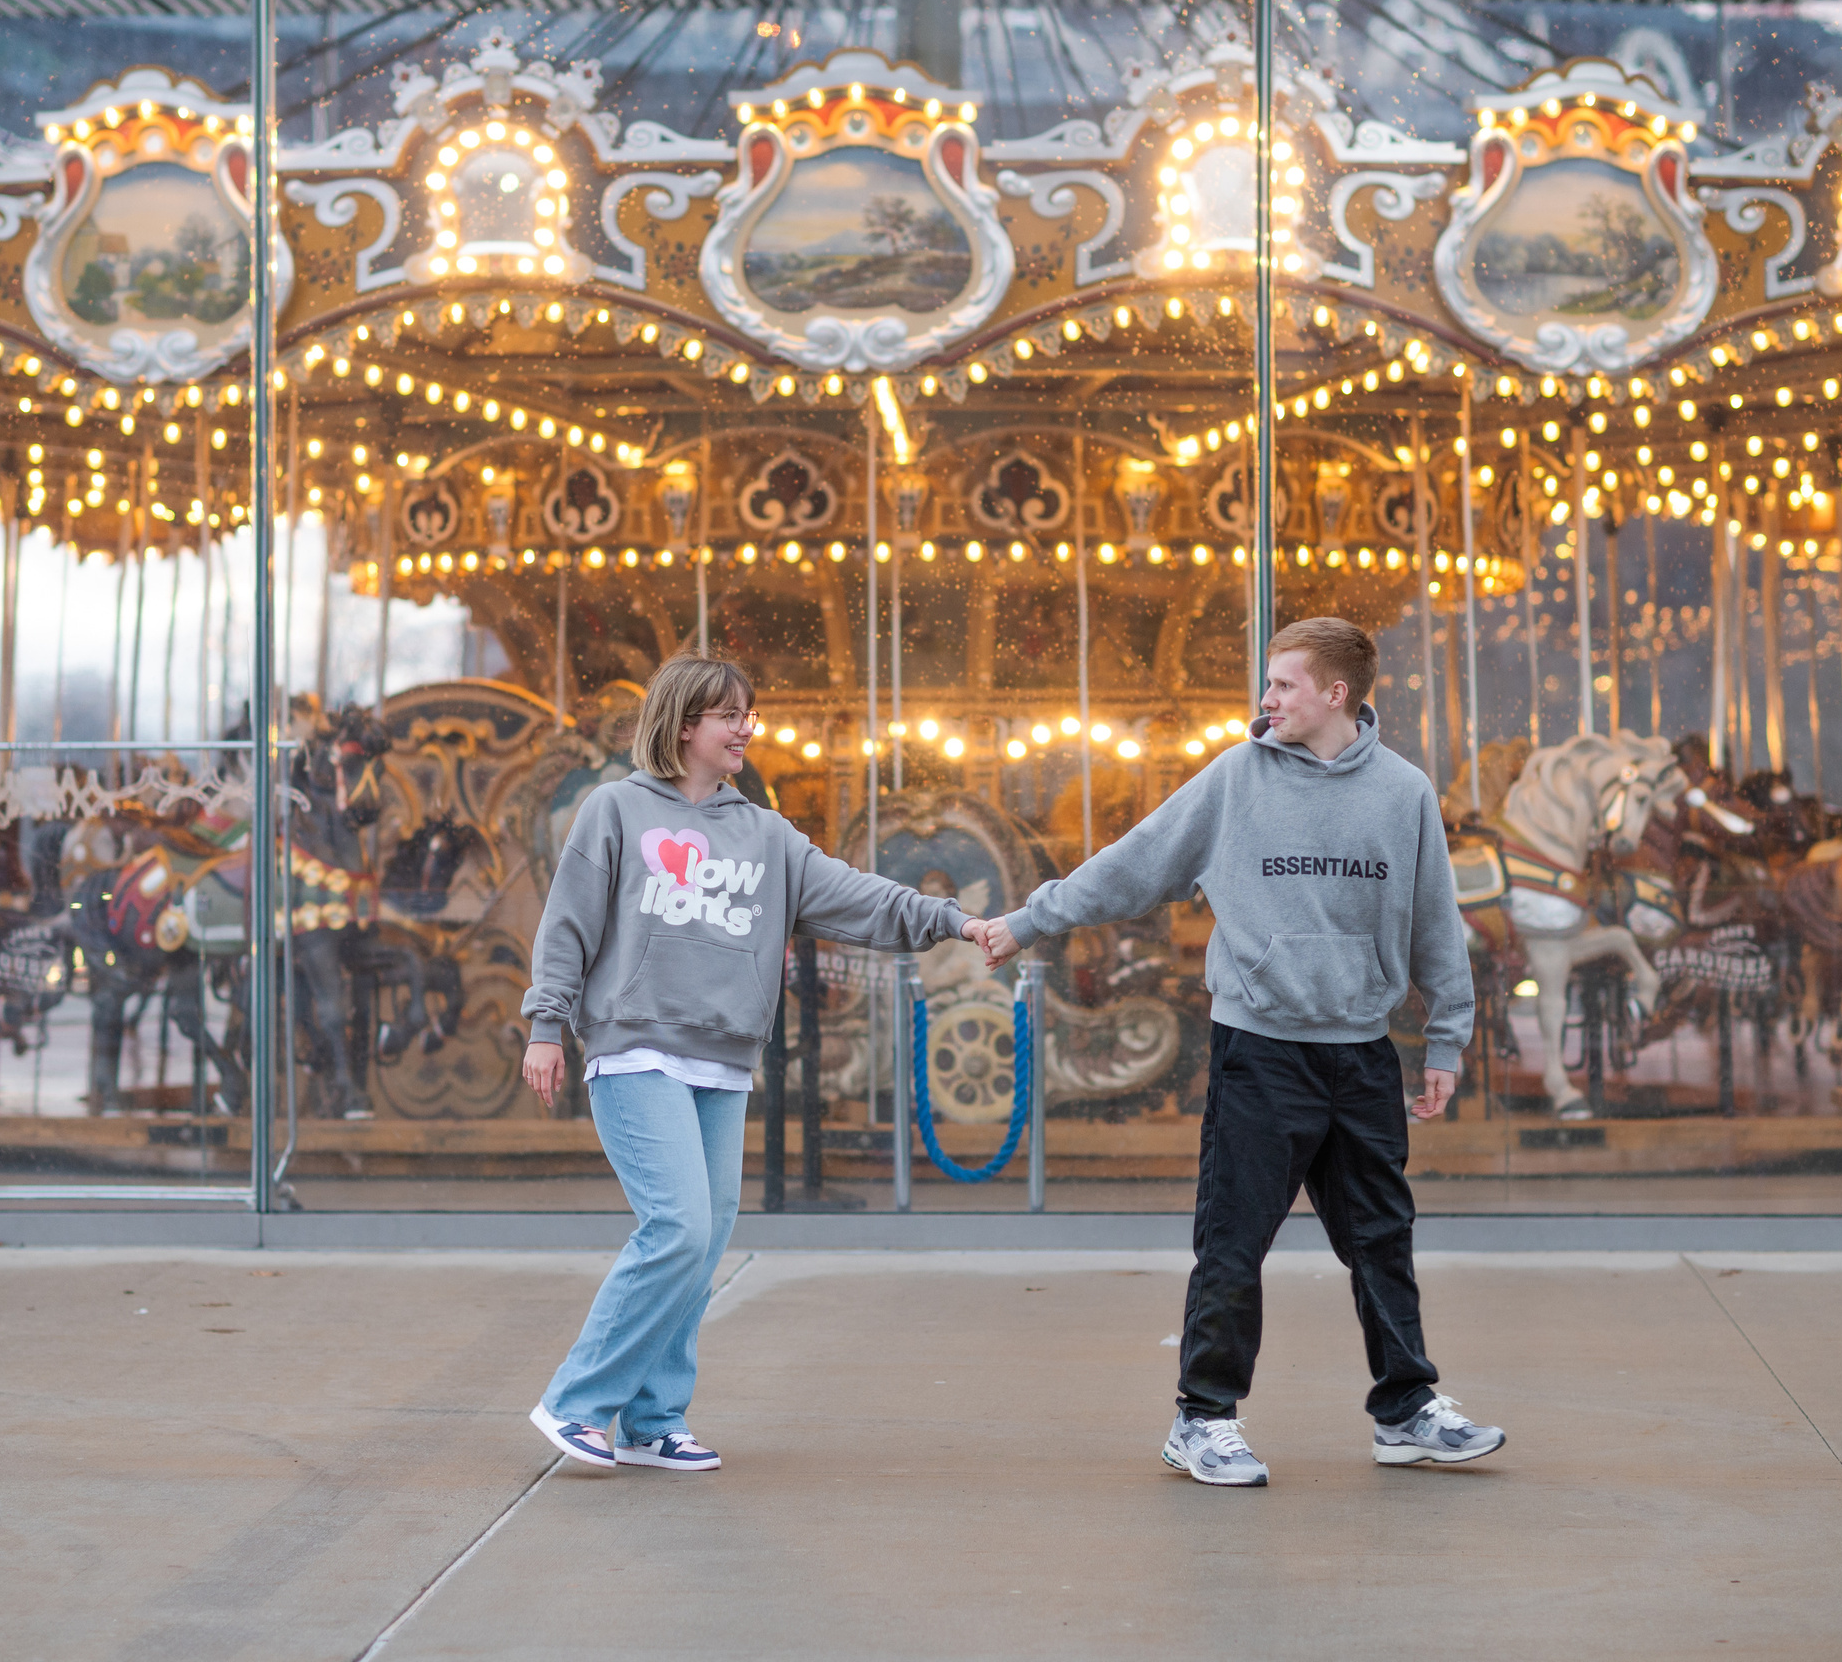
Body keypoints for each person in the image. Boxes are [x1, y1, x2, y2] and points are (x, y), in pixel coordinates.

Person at [972, 616, 1496, 1486]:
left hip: (1363, 1054)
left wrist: (1446, 1037)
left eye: (1285, 683)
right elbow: (1132, 864)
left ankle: (1406, 1410)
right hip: (1261, 1050)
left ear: (1337, 693)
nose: (1267, 698)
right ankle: (1203, 1418)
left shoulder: (1403, 792)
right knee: (1233, 1241)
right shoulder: (1234, 779)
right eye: (1269, 681)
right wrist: (1029, 921)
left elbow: (1436, 922)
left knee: (1383, 1240)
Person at [521, 651, 985, 1472]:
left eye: (748, 713)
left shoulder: (766, 834)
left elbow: (860, 897)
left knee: (701, 1246)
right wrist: (546, 1025)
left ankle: (654, 1420)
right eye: (730, 716)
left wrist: (952, 919)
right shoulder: (615, 810)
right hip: (635, 1050)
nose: (747, 729)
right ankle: (575, 1402)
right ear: (683, 724)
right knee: (678, 1228)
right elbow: (568, 925)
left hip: (723, 1062)